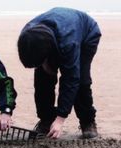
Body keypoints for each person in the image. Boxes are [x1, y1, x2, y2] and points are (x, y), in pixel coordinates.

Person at [17, 7, 101, 139]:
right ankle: (46, 120)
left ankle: (87, 122)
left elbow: (71, 79)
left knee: (81, 81)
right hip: (52, 35)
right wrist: (44, 65)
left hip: (86, 34)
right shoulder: (28, 36)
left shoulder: (68, 43)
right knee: (42, 80)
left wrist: (61, 118)